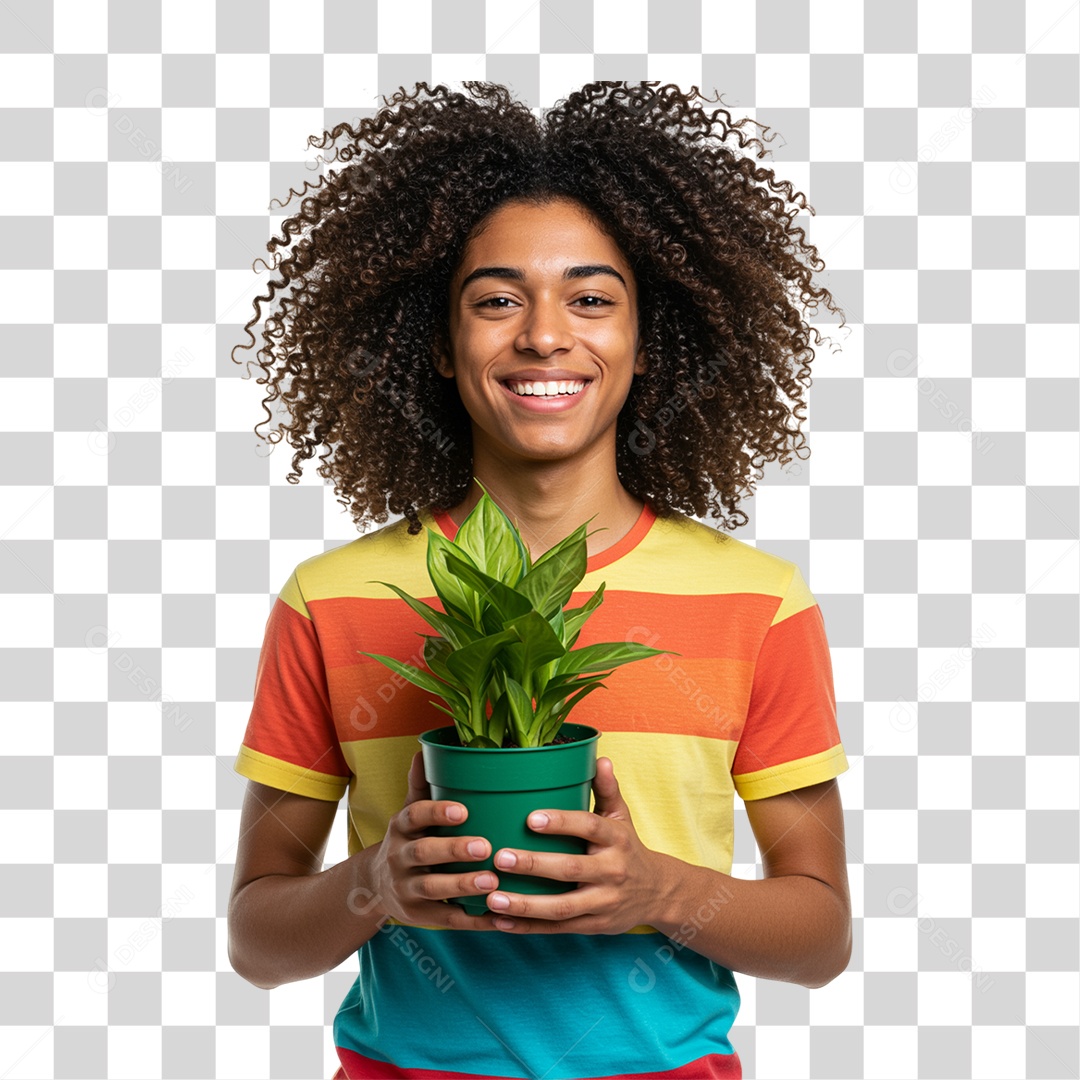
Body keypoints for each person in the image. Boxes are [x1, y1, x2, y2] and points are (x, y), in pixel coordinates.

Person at [228, 81, 851, 1080]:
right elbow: (257, 940)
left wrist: (660, 893)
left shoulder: (760, 606)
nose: (544, 334)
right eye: (497, 299)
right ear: (439, 342)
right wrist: (376, 885)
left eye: (592, 298)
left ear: (649, 344)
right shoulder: (331, 602)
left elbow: (821, 936)